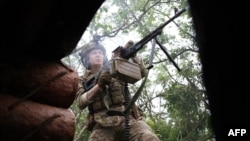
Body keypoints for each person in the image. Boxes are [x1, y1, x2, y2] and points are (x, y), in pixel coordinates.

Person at [76, 39, 160, 141]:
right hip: (102, 124)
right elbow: (80, 103)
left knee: (149, 137)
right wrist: (99, 86)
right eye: (94, 53)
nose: (98, 55)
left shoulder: (115, 66)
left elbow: (142, 73)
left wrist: (133, 55)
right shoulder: (82, 80)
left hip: (129, 120)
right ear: (86, 58)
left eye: (100, 53)